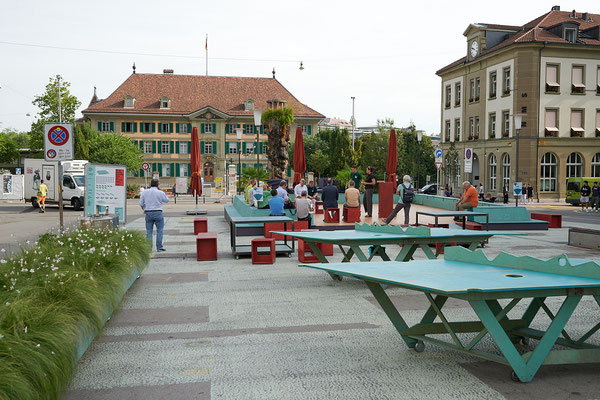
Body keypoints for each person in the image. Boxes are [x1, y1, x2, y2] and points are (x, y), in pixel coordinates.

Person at [139, 178, 169, 252]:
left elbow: (141, 203)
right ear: (157, 185)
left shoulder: (145, 192)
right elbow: (167, 200)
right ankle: (159, 247)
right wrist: (160, 190)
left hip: (148, 212)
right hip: (158, 212)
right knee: (160, 230)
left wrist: (145, 209)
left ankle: (149, 248)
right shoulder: (160, 192)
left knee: (149, 231)